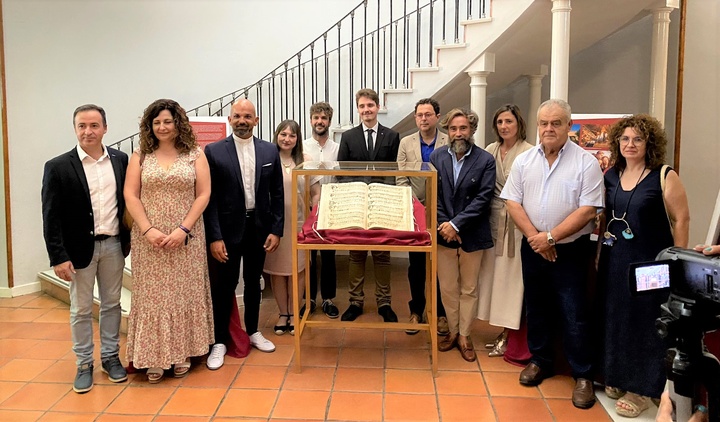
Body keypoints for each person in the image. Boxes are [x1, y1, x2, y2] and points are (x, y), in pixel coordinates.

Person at [501, 99, 604, 409]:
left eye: (556, 123)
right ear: (537, 125)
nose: (548, 128)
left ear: (568, 126)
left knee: (574, 312)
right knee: (537, 307)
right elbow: (512, 202)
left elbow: (588, 210)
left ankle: (583, 375)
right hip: (533, 247)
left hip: (570, 250)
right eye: (543, 123)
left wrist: (551, 238)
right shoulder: (524, 161)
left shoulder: (586, 162)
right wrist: (537, 239)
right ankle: (541, 360)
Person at [597, 114, 690, 418]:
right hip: (616, 260)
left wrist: (678, 260)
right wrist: (600, 253)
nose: (630, 144)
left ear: (649, 142)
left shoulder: (664, 175)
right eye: (625, 139)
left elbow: (681, 218)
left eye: (637, 138)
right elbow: (606, 219)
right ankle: (620, 377)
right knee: (618, 319)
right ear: (617, 142)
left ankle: (643, 390)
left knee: (646, 324)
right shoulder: (611, 175)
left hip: (652, 264)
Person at [124, 99, 214, 383]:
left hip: (186, 239)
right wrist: (148, 230)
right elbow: (130, 195)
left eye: (168, 121)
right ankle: (153, 356)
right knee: (151, 298)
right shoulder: (140, 156)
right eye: (157, 122)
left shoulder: (194, 155)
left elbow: (203, 194)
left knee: (183, 294)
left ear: (178, 124)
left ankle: (182, 352)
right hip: (148, 241)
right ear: (150, 126)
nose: (162, 127)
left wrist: (183, 230)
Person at [41, 104, 129, 393]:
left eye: (94, 125)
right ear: (75, 129)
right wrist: (58, 256)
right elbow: (51, 216)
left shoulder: (120, 160)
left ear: (105, 128)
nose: (88, 131)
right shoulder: (57, 166)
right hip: (78, 251)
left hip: (114, 245)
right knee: (80, 309)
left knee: (112, 304)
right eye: (82, 126)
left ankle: (110, 357)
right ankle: (83, 364)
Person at [204, 99, 284, 369]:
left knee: (254, 283)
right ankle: (219, 341)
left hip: (259, 229)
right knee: (224, 286)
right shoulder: (213, 152)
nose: (242, 121)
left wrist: (276, 229)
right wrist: (214, 237)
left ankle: (253, 332)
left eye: (247, 116)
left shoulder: (269, 150)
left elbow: (277, 193)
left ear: (256, 120)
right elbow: (210, 199)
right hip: (226, 232)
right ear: (230, 119)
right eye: (237, 116)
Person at [429, 108, 495, 362]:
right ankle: (453, 331)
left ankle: (465, 335)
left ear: (472, 130)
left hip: (472, 232)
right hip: (443, 233)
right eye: (454, 128)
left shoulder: (485, 159)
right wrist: (445, 224)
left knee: (469, 288)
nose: (458, 133)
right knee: (447, 287)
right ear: (447, 130)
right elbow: (432, 193)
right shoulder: (436, 157)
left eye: (463, 128)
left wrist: (457, 225)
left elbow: (483, 198)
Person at [337, 88, 400, 322]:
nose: (366, 110)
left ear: (377, 108)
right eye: (362, 106)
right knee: (356, 254)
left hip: (382, 203)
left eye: (370, 106)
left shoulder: (392, 136)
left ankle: (384, 303)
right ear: (358, 109)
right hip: (356, 203)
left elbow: (394, 171)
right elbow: (342, 173)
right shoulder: (348, 136)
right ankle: (355, 302)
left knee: (382, 254)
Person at [477, 104, 533, 358]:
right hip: (492, 219)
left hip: (516, 222)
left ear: (518, 123)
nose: (504, 126)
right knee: (493, 277)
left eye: (508, 121)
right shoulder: (490, 150)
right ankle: (501, 329)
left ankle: (512, 333)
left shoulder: (530, 152)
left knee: (512, 279)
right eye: (500, 122)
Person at [396, 98, 450, 335]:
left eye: (428, 114)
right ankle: (416, 311)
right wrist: (412, 204)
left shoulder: (449, 141)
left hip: (443, 212)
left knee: (441, 265)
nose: (424, 119)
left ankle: (440, 314)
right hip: (415, 211)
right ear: (415, 117)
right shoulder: (406, 142)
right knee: (416, 265)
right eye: (420, 115)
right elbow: (400, 176)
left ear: (437, 116)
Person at [264, 120, 320, 335]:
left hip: (299, 222)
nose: (287, 139)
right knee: (278, 271)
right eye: (283, 134)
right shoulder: (268, 158)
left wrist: (314, 215)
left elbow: (315, 191)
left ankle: (296, 313)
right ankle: (283, 313)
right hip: (275, 225)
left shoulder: (306, 161)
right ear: (277, 135)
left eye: (292, 135)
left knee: (299, 269)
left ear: (298, 139)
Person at [301, 102, 339, 319]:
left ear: (329, 121)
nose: (319, 122)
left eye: (323, 118)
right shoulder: (303, 147)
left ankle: (328, 298)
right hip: (307, 208)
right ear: (310, 120)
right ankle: (309, 299)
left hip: (331, 209)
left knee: (329, 255)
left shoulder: (336, 148)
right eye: (316, 118)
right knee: (309, 255)